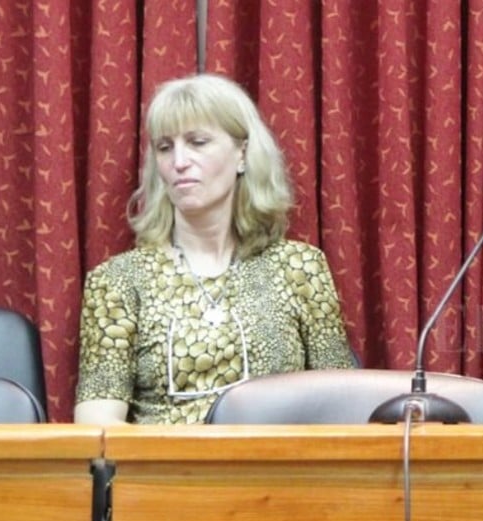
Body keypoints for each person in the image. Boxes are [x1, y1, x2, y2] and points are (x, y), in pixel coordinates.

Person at [75, 73, 353, 425]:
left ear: (242, 154)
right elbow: (96, 423)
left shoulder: (300, 268)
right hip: (164, 459)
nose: (179, 161)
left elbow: (343, 405)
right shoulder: (118, 281)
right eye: (165, 147)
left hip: (279, 457)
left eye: (197, 142)